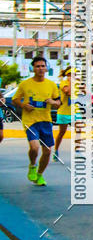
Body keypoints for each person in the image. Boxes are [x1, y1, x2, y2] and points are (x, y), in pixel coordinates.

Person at [12, 56, 61, 186]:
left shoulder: (51, 85)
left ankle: (39, 175)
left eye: (42, 66)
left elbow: (58, 102)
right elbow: (15, 99)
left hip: (46, 121)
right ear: (32, 68)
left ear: (47, 68)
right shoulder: (25, 84)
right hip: (30, 121)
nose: (40, 68)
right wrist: (23, 105)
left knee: (48, 151)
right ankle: (32, 165)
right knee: (34, 148)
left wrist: (53, 102)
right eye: (37, 66)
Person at [53, 67, 73, 161]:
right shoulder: (63, 83)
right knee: (62, 132)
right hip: (64, 112)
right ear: (68, 75)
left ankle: (78, 152)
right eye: (71, 75)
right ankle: (56, 150)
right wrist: (70, 82)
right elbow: (68, 92)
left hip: (74, 112)